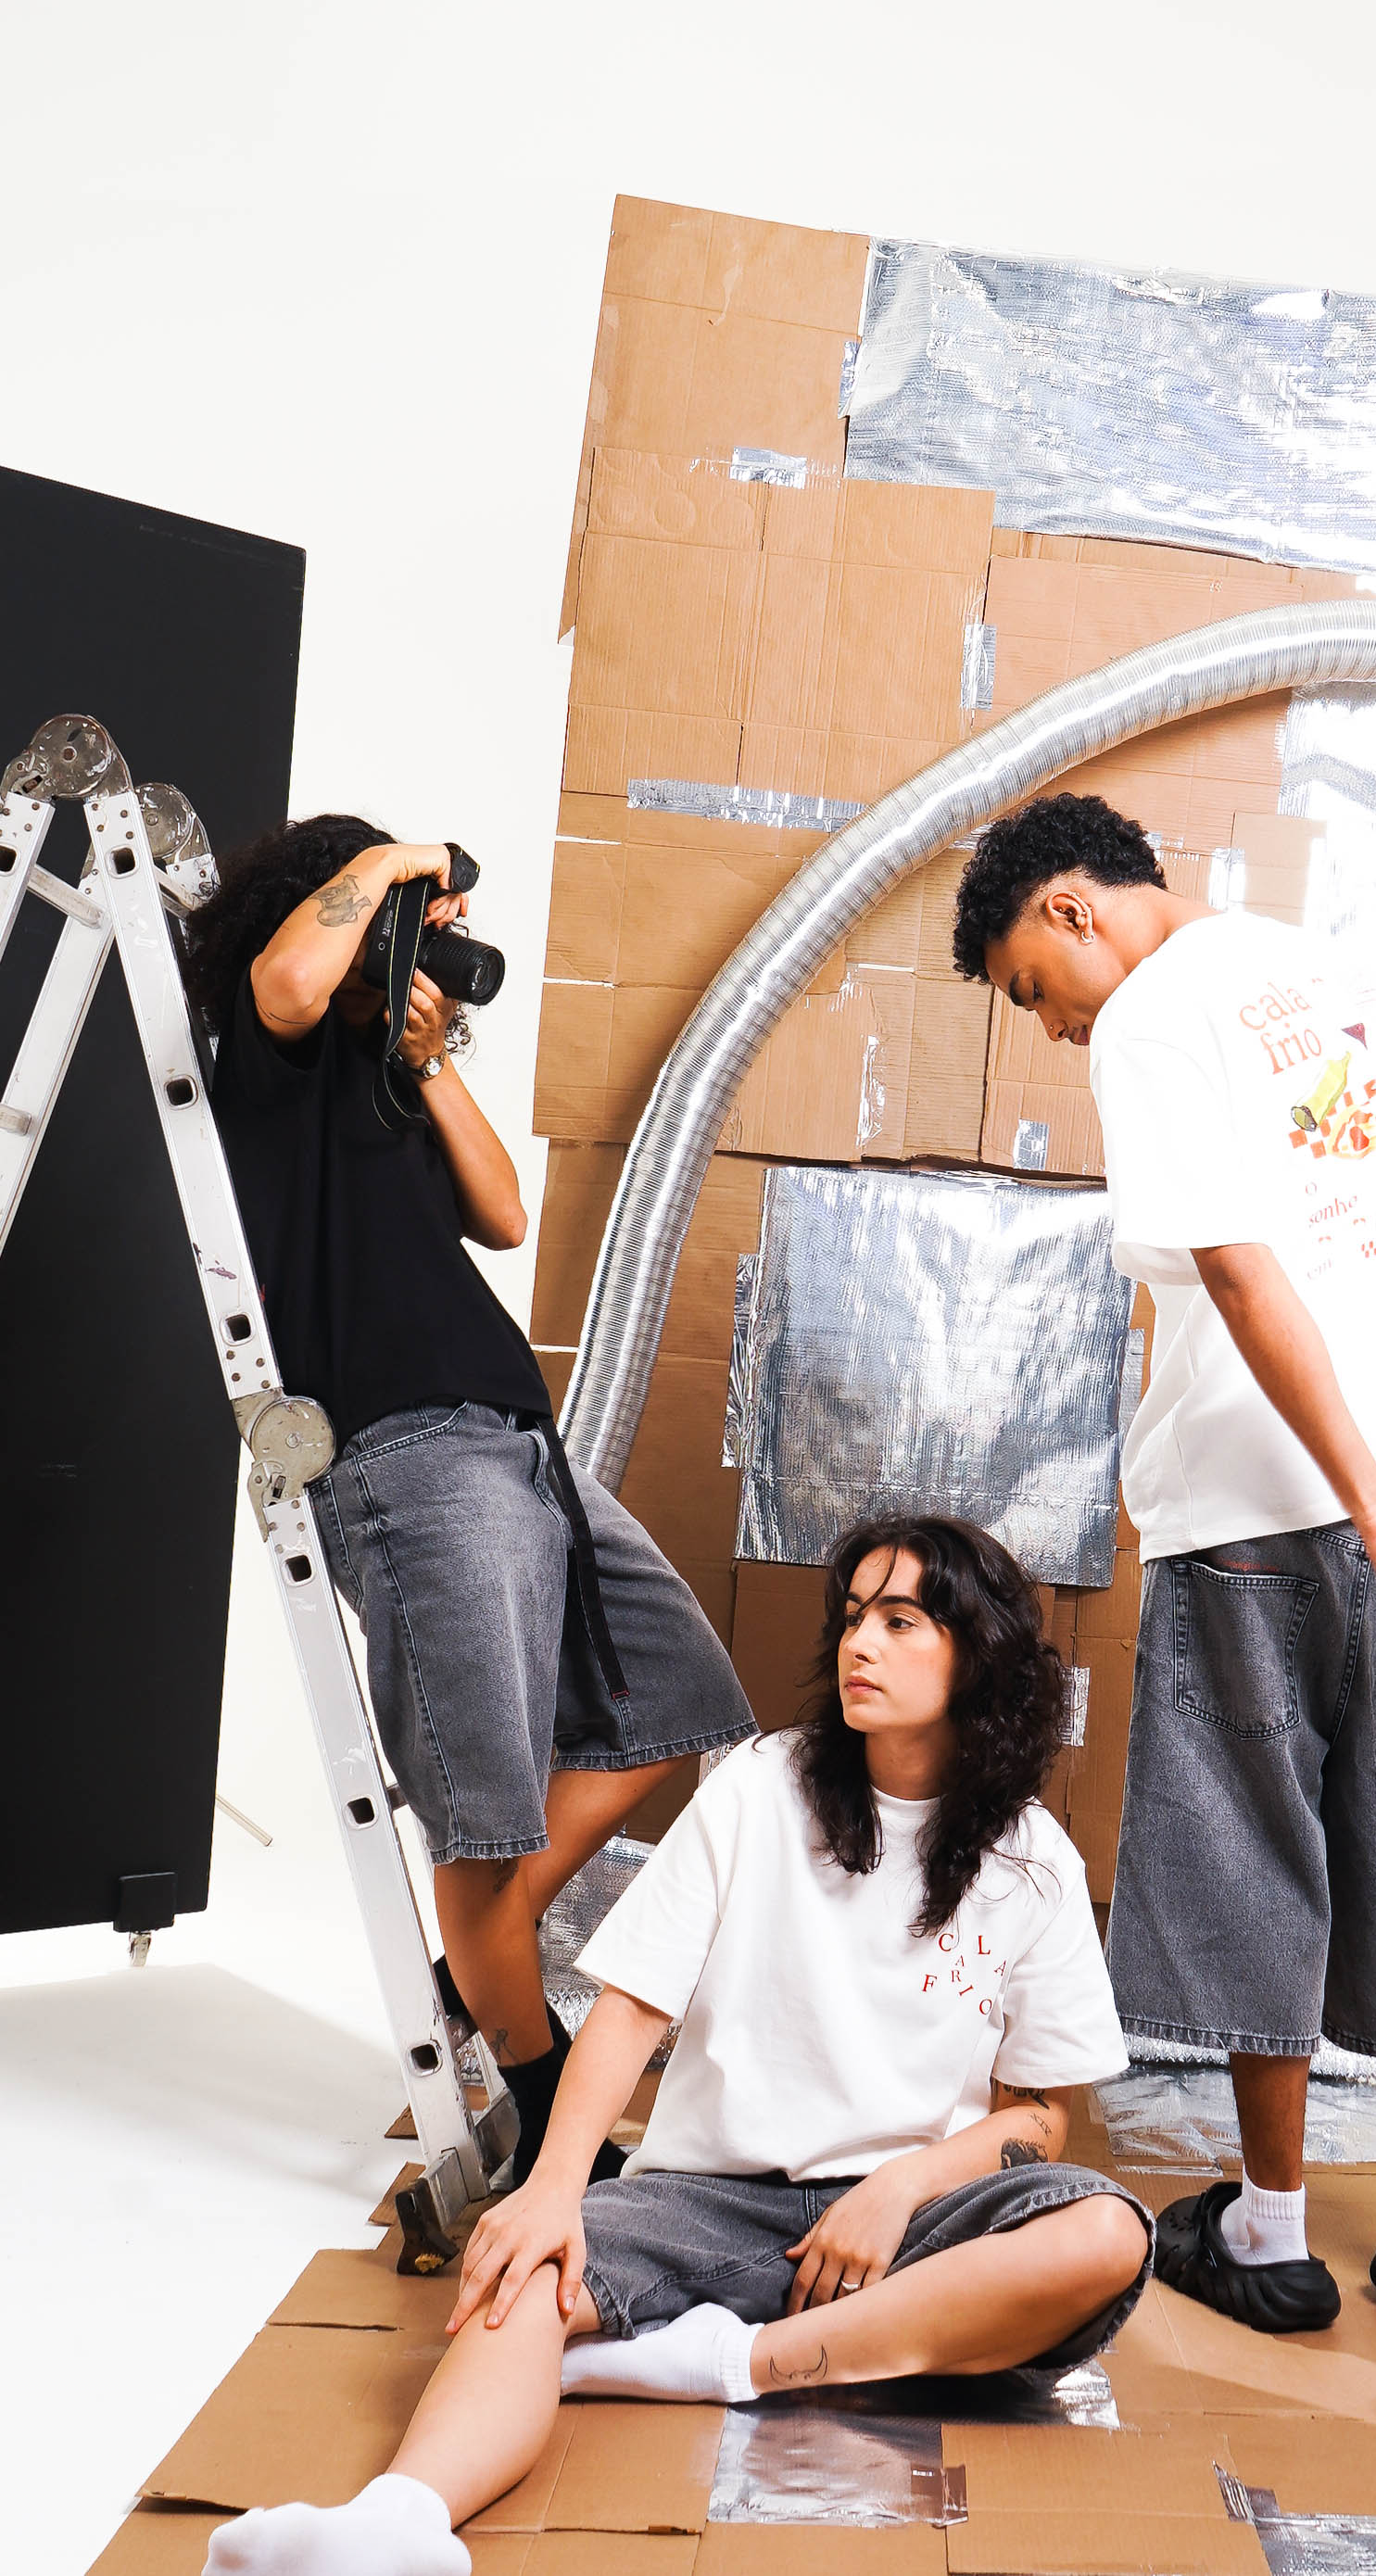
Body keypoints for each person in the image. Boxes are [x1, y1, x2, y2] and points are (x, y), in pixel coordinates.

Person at [202, 1515, 1150, 2576]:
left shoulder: (1033, 1860)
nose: (859, 1643)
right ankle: (396, 2521)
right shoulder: (762, 1783)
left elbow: (1041, 2115)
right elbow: (633, 2005)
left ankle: (728, 2361)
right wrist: (554, 2187)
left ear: (979, 1651)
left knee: (1106, 2232)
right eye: (851, 1617)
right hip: (709, 2196)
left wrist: (899, 2186)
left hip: (906, 2220)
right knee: (528, 2271)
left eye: (898, 1620)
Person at [952, 792, 1376, 2332]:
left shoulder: (1151, 1017)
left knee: (1245, 1844)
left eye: (1032, 986)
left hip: (1260, 1505)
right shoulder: (1344, 977)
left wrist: (1354, 1488)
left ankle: (1272, 2234)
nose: (1051, 1025)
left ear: (1072, 908)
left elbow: (1234, 1264)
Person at [184, 816, 755, 2181]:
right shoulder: (267, 1063)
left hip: (519, 1447)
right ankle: (543, 2117)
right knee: (485, 1825)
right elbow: (287, 981)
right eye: (412, 936)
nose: (430, 955)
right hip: (407, 1461)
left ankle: (473, 1965)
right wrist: (395, 862)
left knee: (679, 1703)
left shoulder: (387, 1081)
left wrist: (429, 1061)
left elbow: (502, 1215)